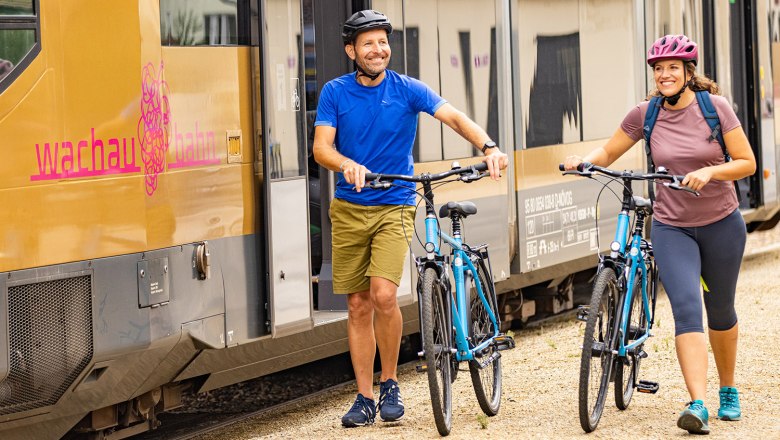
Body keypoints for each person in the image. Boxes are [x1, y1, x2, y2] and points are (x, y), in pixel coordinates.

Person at [313, 9, 509, 428]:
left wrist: (488, 146)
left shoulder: (408, 89)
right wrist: (345, 163)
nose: (378, 49)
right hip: (349, 207)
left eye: (383, 41)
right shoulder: (334, 92)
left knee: (383, 294)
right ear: (351, 50)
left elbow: (453, 116)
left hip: (395, 203)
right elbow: (321, 149)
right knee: (356, 303)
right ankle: (364, 396)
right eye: (368, 43)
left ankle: (390, 383)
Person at [564, 35, 756, 435]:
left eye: (672, 67)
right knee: (686, 309)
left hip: (722, 224)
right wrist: (585, 162)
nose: (664, 74)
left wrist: (711, 171)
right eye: (658, 68)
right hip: (672, 227)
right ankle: (698, 404)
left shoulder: (714, 108)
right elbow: (610, 151)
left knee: (719, 310)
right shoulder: (646, 113)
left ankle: (728, 388)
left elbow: (747, 163)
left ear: (689, 73)